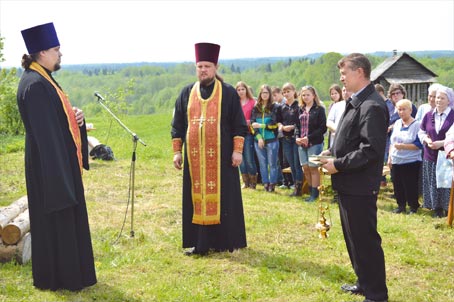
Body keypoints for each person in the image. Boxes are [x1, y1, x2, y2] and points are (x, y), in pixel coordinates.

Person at [16, 22, 97, 291]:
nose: (60, 54)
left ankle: (72, 274)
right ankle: (62, 278)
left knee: (64, 222)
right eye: (55, 49)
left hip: (57, 163)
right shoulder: (35, 84)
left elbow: (56, 121)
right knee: (56, 220)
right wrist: (60, 178)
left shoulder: (43, 78)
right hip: (50, 167)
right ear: (41, 52)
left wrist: (76, 119)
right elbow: (46, 135)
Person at [320, 53, 389, 302]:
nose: (342, 79)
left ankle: (377, 294)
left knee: (366, 240)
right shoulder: (357, 101)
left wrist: (337, 164)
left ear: (359, 72)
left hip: (360, 184)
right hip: (349, 183)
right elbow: (350, 138)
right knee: (353, 239)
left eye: (344, 74)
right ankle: (364, 281)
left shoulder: (372, 105)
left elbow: (370, 150)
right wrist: (331, 152)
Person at [171, 42, 248, 255]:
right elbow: (177, 124)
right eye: (199, 66)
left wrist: (238, 150)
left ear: (215, 67)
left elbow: (239, 125)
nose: (203, 70)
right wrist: (177, 151)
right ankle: (200, 243)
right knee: (196, 199)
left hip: (222, 160)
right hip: (195, 162)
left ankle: (224, 242)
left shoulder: (229, 92)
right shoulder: (187, 93)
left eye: (207, 66)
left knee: (225, 199)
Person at [418, 85, 454, 218]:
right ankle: (435, 207)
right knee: (432, 181)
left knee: (445, 183)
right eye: (437, 97)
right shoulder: (428, 115)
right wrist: (426, 139)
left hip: (446, 156)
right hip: (430, 154)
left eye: (442, 98)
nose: (438, 100)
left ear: (449, 100)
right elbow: (421, 131)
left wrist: (442, 143)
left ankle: (447, 209)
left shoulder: (453, 115)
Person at [387, 99, 423, 214]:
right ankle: (400, 206)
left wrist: (403, 146)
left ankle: (413, 206)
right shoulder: (397, 123)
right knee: (397, 184)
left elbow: (419, 145)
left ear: (410, 110)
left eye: (404, 109)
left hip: (411, 161)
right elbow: (392, 142)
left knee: (410, 185)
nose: (401, 112)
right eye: (399, 109)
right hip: (396, 159)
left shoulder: (417, 125)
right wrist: (389, 157)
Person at [296, 85, 327, 202]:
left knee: (314, 168)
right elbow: (297, 127)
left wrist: (309, 138)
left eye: (308, 94)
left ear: (313, 95)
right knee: (305, 168)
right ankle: (310, 192)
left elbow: (322, 128)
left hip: (315, 143)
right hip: (301, 144)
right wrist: (297, 137)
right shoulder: (300, 109)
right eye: (303, 95)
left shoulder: (319, 109)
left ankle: (315, 194)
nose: (305, 97)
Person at [250, 84, 280, 192]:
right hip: (259, 141)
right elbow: (252, 125)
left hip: (272, 140)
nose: (265, 95)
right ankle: (265, 183)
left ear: (270, 94)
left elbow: (275, 124)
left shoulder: (275, 107)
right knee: (262, 163)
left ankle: (272, 184)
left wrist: (262, 126)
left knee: (272, 163)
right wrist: (259, 138)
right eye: (263, 92)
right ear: (260, 94)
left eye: (267, 92)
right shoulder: (256, 108)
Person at [277, 82, 304, 196]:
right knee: (292, 165)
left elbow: (301, 122)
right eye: (284, 92)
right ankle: (295, 187)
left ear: (294, 92)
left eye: (288, 91)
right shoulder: (281, 107)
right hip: (286, 139)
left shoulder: (299, 106)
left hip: (296, 138)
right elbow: (278, 121)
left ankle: (300, 188)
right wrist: (282, 127)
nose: (286, 94)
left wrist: (292, 127)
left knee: (297, 164)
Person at [236, 81, 258, 189]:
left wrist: (250, 121)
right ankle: (245, 181)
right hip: (238, 134)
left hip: (249, 133)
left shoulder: (252, 102)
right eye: (238, 90)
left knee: (249, 158)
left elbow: (255, 117)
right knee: (241, 159)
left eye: (242, 89)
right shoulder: (235, 103)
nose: (241, 92)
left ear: (246, 90)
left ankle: (253, 181)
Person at [272, 86, 293, 190]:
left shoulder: (285, 104)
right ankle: (285, 181)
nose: (274, 97)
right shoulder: (277, 105)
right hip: (279, 135)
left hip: (287, 135)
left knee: (287, 159)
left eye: (275, 95)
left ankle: (291, 181)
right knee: (280, 159)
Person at [326, 84, 343, 148]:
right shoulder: (331, 105)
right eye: (332, 94)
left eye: (336, 93)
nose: (334, 95)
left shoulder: (343, 104)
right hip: (331, 131)